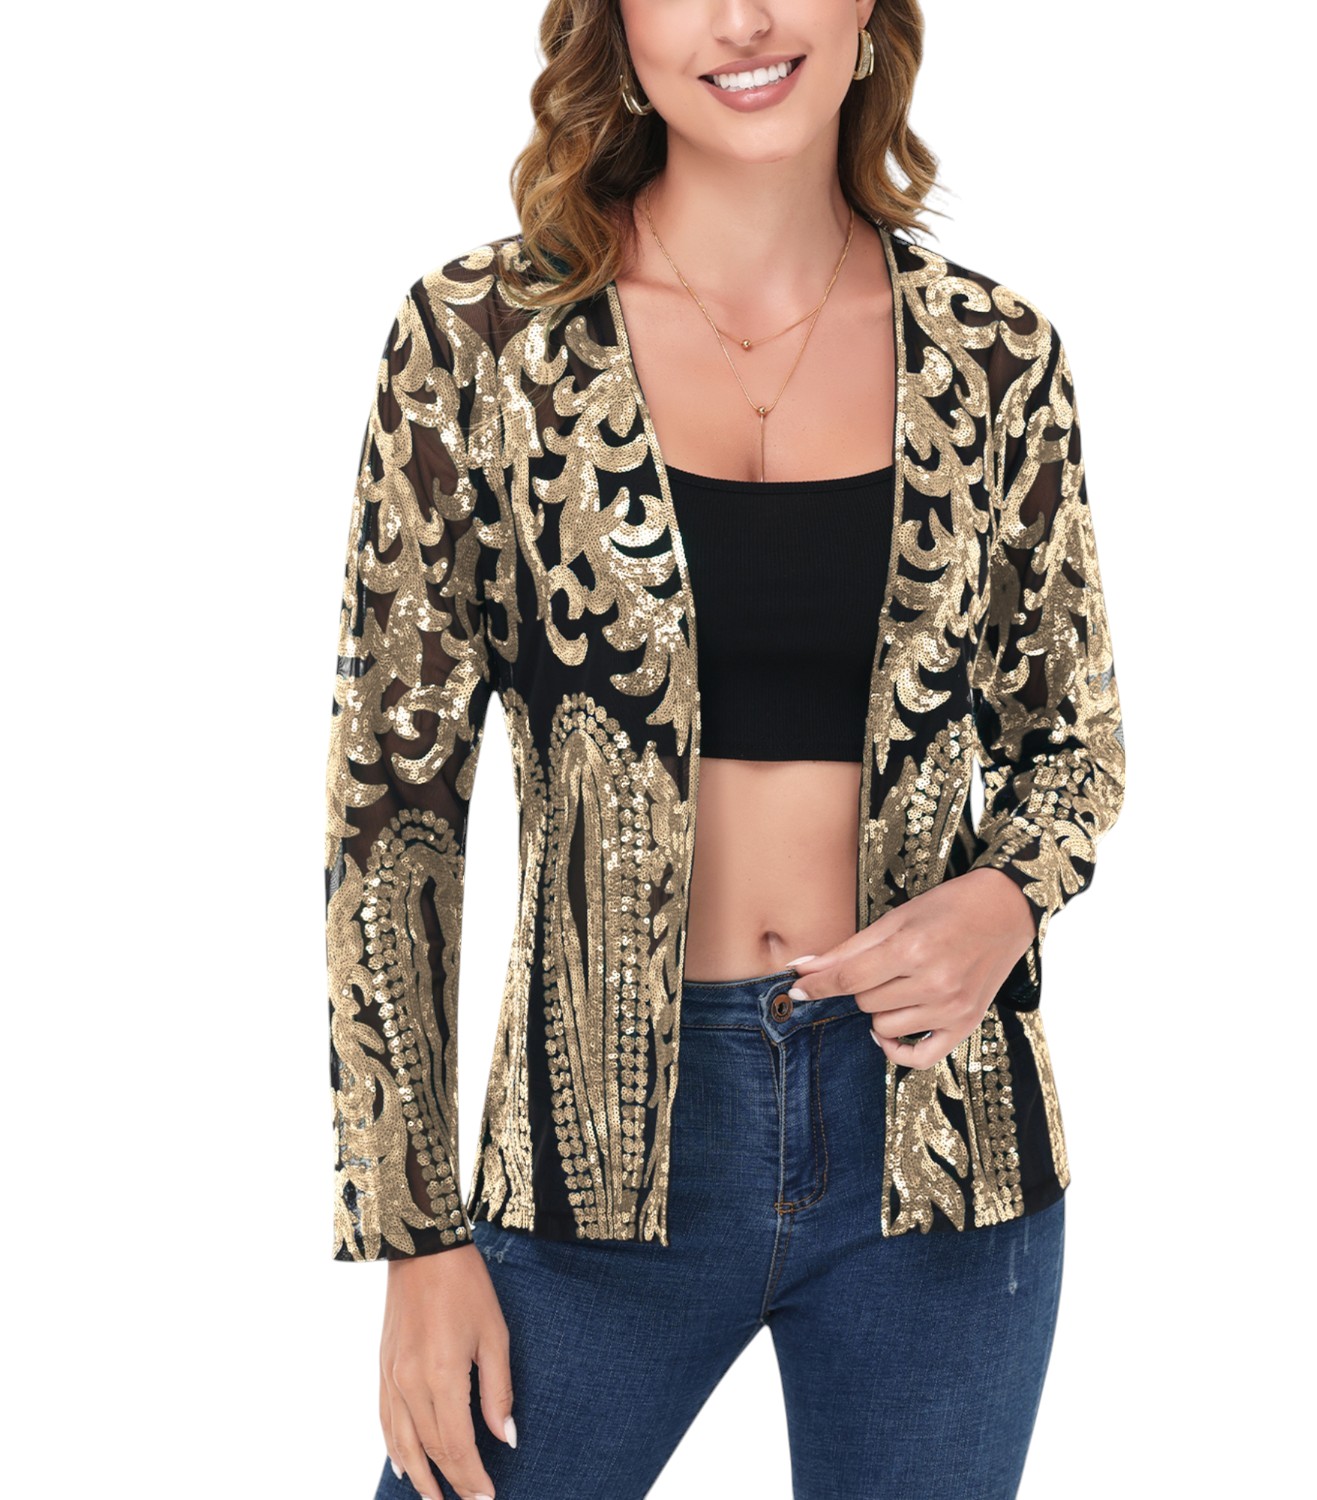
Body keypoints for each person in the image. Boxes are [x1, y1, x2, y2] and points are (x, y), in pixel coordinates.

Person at [323, 3, 1126, 1497]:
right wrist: (416, 1238)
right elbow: (391, 816)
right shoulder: (480, 342)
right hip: (595, 1153)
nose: (744, 18)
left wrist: (1003, 902)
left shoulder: (998, 358)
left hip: (940, 1148)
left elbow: (1072, 740)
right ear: (616, 25)